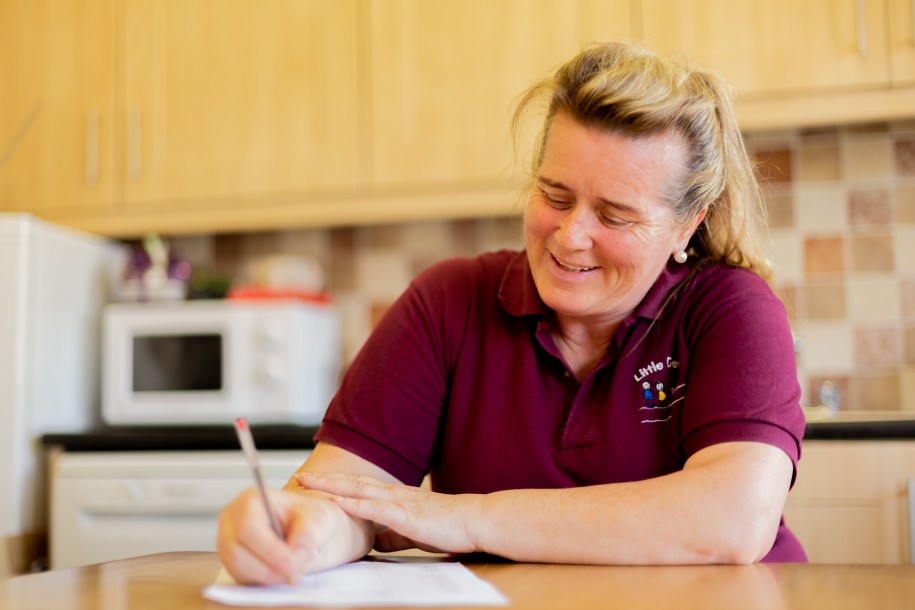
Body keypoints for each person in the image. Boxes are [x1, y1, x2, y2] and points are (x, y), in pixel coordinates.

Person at [217, 40, 806, 585]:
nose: (570, 236)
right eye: (554, 195)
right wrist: (295, 532)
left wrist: (467, 518)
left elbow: (732, 521)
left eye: (615, 216)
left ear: (686, 225)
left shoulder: (732, 309)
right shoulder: (447, 303)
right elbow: (345, 495)